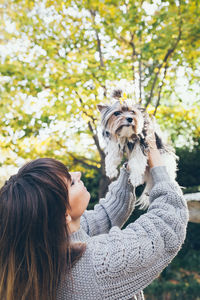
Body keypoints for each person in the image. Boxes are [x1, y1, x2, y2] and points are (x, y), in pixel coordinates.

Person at [0, 130, 188, 300]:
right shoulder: (97, 264)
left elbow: (105, 216)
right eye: (71, 182)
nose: (78, 173)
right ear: (63, 214)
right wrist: (155, 159)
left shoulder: (45, 250)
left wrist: (131, 170)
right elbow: (167, 226)